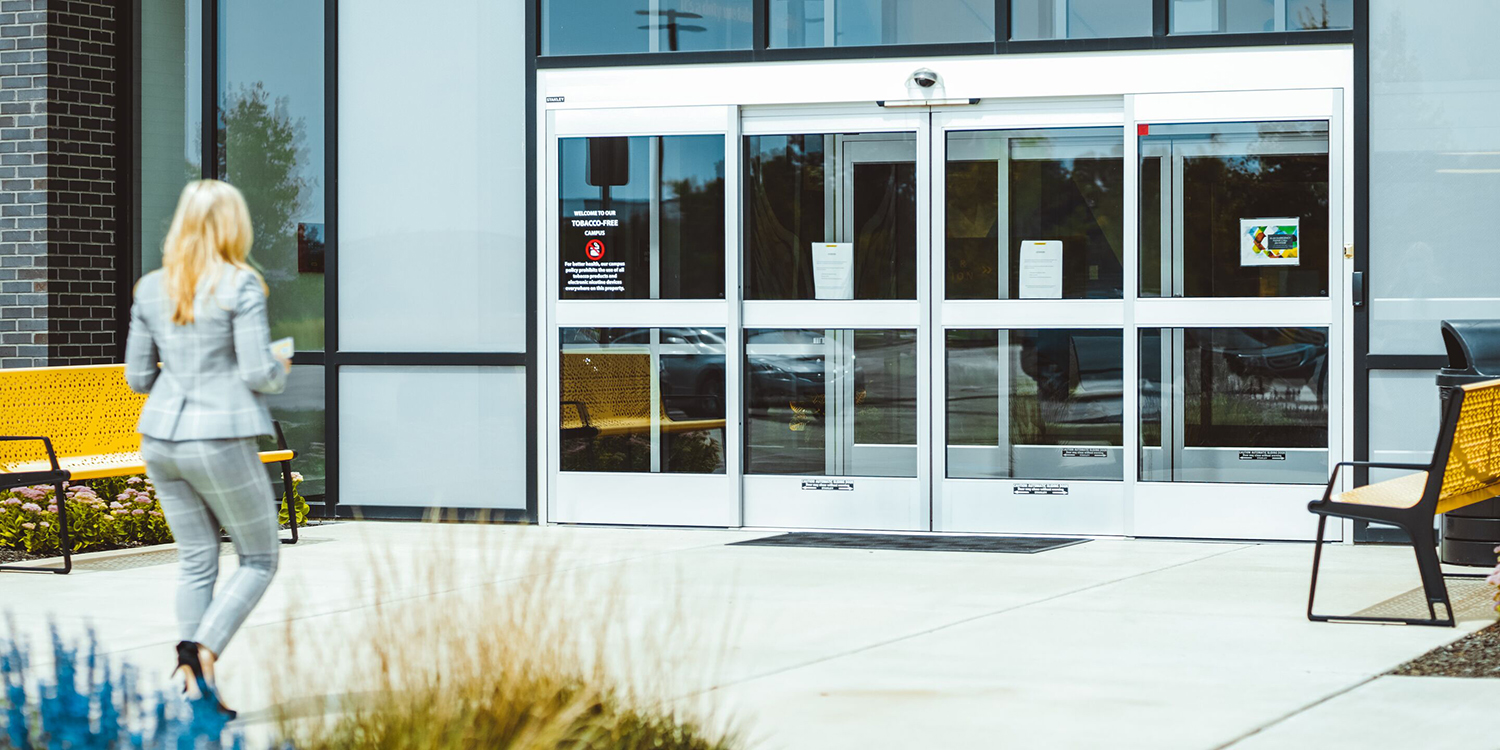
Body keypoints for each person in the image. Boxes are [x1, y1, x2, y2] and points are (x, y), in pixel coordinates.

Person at [124, 179, 291, 718]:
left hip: (160, 438)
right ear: (232, 226)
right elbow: (257, 372)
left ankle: (197, 693)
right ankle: (200, 652)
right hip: (217, 437)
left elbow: (136, 378)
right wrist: (280, 364)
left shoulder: (149, 288)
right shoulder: (240, 284)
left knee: (196, 560)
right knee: (260, 557)